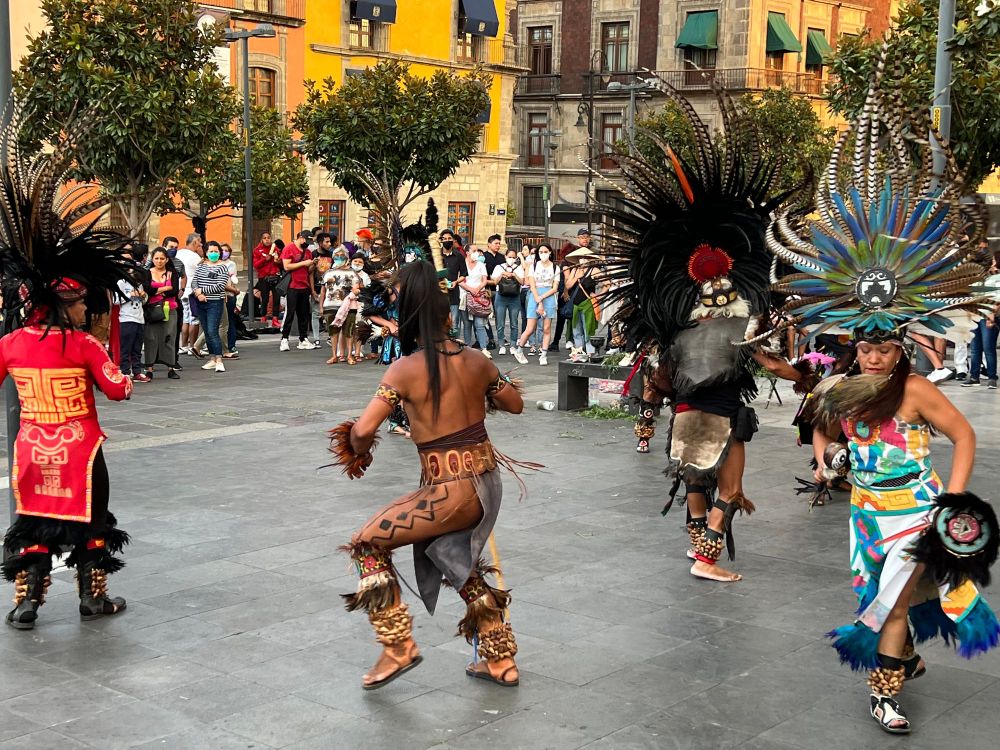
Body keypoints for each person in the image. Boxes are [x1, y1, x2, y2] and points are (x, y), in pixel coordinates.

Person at [761, 66, 999, 734]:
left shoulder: (916, 389)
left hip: (916, 510)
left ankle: (884, 695)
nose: (873, 357)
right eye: (865, 347)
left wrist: (954, 497)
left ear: (900, 348)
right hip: (865, 513)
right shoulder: (842, 387)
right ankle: (904, 659)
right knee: (889, 599)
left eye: (884, 348)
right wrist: (825, 459)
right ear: (854, 345)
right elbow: (819, 419)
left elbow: (965, 437)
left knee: (891, 606)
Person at [593, 74, 805, 583]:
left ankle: (698, 548)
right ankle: (706, 560)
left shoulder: (679, 334)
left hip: (686, 417)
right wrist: (807, 379)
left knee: (693, 483)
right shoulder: (743, 327)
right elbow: (776, 366)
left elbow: (661, 380)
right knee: (729, 491)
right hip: (724, 416)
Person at [329, 260, 525, 690]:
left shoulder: (404, 369)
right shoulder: (477, 361)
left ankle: (398, 645)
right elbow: (514, 403)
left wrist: (357, 449)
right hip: (486, 483)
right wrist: (483, 384)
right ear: (448, 317)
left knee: (367, 544)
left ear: (408, 321)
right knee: (457, 560)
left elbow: (364, 429)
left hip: (451, 491)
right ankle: (500, 659)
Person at [1, 120, 137, 629]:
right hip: (80, 447)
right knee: (91, 520)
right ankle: (92, 598)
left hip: (33, 446)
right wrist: (109, 358)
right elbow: (119, 391)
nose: (86, 308)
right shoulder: (83, 344)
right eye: (81, 302)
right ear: (66, 303)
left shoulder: (10, 343)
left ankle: (27, 604)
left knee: (34, 521)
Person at [512, 243, 559, 366]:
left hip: (549, 296)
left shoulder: (555, 268)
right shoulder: (533, 266)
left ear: (550, 252)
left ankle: (543, 354)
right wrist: (538, 299)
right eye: (541, 252)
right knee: (530, 328)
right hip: (535, 295)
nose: (543, 254)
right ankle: (519, 350)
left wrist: (542, 298)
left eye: (546, 251)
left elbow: (555, 288)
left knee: (546, 328)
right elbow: (532, 285)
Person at [192, 240, 234, 373]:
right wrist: (198, 293)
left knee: (212, 331)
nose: (213, 254)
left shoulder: (223, 267)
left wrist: (202, 291)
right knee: (207, 331)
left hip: (215, 302)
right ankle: (212, 359)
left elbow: (220, 286)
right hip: (201, 302)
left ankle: (219, 359)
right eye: (211, 251)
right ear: (206, 252)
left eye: (216, 251)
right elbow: (194, 282)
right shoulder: (201, 266)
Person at [962, 253, 1000, 389]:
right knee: (975, 348)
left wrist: (992, 314)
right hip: (975, 315)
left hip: (988, 315)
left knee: (988, 347)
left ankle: (992, 377)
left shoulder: (996, 278)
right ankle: (974, 377)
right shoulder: (976, 278)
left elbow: (997, 298)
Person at [142, 246, 181, 380]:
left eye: (162, 258)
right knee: (150, 338)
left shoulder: (172, 273)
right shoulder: (147, 273)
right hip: (152, 309)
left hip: (170, 308)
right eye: (156, 258)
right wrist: (165, 288)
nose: (159, 261)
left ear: (167, 260)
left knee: (169, 336)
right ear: (152, 259)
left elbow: (174, 291)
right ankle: (149, 368)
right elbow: (147, 289)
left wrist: (156, 291)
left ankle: (171, 368)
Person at [279, 231, 318, 351]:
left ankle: (303, 338)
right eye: (307, 241)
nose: (308, 244)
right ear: (301, 238)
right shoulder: (289, 249)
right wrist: (303, 263)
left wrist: (313, 264)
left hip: (304, 285)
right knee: (290, 313)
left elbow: (309, 271)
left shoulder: (308, 252)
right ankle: (284, 338)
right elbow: (286, 266)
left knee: (304, 314)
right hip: (292, 285)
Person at [117, 246, 149, 382]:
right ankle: (125, 371)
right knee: (126, 347)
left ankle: (137, 371)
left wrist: (143, 296)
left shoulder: (139, 284)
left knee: (137, 348)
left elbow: (144, 301)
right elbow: (115, 300)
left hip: (139, 318)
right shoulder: (121, 283)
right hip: (126, 319)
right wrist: (130, 294)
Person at [563, 247, 599, 363]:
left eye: (585, 257)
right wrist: (576, 277)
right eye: (581, 257)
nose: (583, 259)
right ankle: (579, 351)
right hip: (575, 304)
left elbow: (607, 283)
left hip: (587, 303)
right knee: (576, 329)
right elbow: (568, 285)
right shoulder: (574, 270)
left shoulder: (594, 270)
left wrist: (599, 295)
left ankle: (590, 352)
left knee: (587, 328)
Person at [459, 245, 491, 357]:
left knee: (479, 323)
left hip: (478, 297)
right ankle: (467, 348)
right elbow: (459, 280)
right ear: (467, 252)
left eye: (477, 250)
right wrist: (470, 289)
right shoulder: (462, 263)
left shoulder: (481, 265)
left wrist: (477, 289)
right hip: (465, 295)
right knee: (467, 324)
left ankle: (484, 348)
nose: (477, 252)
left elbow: (484, 280)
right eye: (474, 250)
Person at [491, 247, 524, 354]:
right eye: (509, 257)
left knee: (514, 323)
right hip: (501, 297)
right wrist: (502, 274)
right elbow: (494, 282)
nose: (511, 259)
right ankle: (501, 345)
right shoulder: (499, 267)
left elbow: (522, 282)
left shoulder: (518, 268)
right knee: (500, 323)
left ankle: (513, 345)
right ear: (505, 257)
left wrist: (514, 275)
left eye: (513, 257)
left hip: (514, 297)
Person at [175, 233, 203, 356]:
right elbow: (202, 270)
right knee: (194, 319)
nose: (201, 244)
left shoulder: (179, 253)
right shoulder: (194, 257)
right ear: (195, 242)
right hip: (192, 291)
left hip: (182, 290)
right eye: (199, 242)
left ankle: (184, 345)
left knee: (186, 319)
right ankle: (193, 346)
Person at [252, 231, 283, 328]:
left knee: (276, 298)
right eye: (265, 238)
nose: (267, 240)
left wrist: (278, 262)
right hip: (264, 277)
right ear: (261, 240)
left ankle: (275, 319)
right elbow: (256, 265)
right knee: (264, 298)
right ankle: (263, 317)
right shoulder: (257, 250)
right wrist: (265, 259)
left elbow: (282, 263)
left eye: (268, 238)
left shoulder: (276, 249)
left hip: (275, 276)